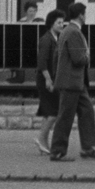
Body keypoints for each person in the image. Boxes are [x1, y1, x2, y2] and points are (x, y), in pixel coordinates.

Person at [48, 2, 95, 162]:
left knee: (87, 112)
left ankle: (87, 148)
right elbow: (78, 58)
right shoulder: (74, 32)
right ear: (81, 15)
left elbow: (56, 58)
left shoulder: (66, 31)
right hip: (72, 82)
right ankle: (57, 151)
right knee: (66, 116)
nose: (85, 17)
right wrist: (88, 56)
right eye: (85, 14)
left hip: (74, 82)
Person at [32, 9, 65, 154]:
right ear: (51, 23)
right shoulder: (46, 40)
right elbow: (42, 63)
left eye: (62, 22)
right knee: (53, 112)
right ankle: (40, 139)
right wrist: (49, 80)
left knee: (48, 112)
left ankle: (43, 143)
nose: (61, 25)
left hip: (50, 79)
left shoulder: (54, 38)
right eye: (59, 22)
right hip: (46, 79)